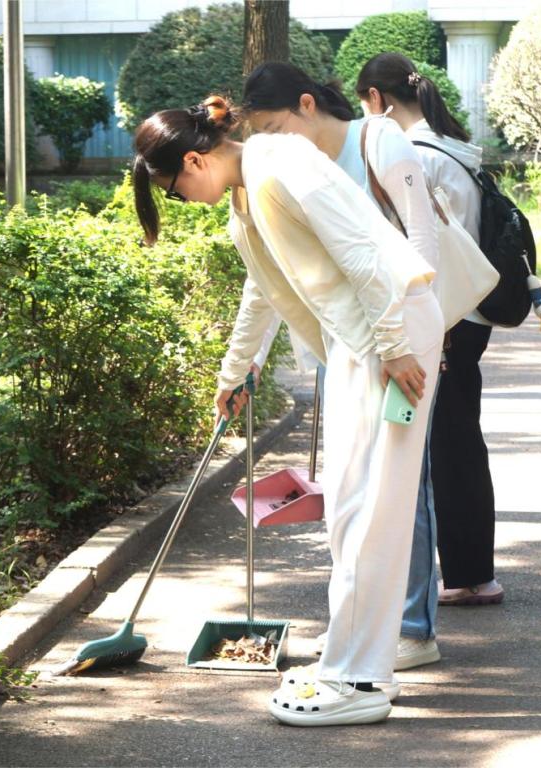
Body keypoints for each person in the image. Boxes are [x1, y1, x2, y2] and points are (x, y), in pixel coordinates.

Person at [132, 96, 444, 726]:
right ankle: (358, 668)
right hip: (365, 339)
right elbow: (263, 288)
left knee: (369, 511)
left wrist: (393, 348)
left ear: (194, 161)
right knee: (353, 511)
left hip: (388, 336)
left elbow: (361, 251)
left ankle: (356, 679)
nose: (183, 201)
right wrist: (234, 372)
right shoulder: (248, 192)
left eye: (173, 190)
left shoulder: (282, 163)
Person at [241, 62, 443, 671]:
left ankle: (412, 629)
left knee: (402, 488)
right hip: (349, 345)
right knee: (355, 498)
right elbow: (270, 276)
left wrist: (417, 338)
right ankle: (358, 629)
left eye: (275, 126)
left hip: (402, 338)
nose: (271, 142)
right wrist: (245, 363)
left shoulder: (375, 140)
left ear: (307, 104)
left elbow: (421, 240)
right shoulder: (285, 167)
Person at [356, 52, 504, 607]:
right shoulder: (455, 148)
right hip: (469, 312)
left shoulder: (412, 155)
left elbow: (419, 248)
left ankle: (467, 577)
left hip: (441, 317)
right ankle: (472, 572)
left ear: (376, 100)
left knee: (443, 448)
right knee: (458, 440)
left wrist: (425, 329)